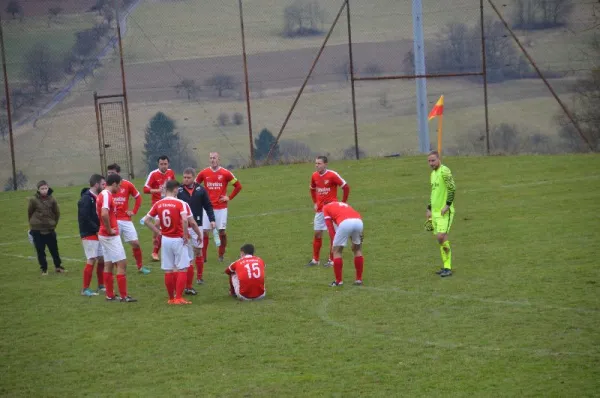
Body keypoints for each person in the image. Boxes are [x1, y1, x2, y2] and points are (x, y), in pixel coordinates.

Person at [143, 180, 202, 305]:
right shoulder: (181, 203)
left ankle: (171, 298)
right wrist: (191, 234)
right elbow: (187, 221)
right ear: (175, 189)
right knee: (183, 268)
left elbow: (147, 220)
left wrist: (158, 232)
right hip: (178, 239)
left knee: (168, 269)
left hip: (165, 239)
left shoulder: (158, 204)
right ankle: (179, 297)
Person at [195, 152, 242, 262]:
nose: (212, 160)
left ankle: (221, 254)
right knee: (205, 231)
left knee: (222, 232)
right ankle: (204, 257)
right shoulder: (203, 173)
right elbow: (194, 185)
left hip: (221, 208)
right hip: (207, 207)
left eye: (214, 158)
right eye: (211, 158)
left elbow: (238, 186)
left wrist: (229, 197)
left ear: (218, 159)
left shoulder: (226, 173)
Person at [97, 173, 137, 302]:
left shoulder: (103, 194)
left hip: (104, 234)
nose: (120, 188)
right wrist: (109, 229)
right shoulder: (107, 195)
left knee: (108, 264)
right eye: (119, 185)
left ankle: (109, 295)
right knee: (122, 263)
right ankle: (124, 296)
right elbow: (104, 214)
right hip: (109, 235)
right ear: (114, 183)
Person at [306, 156, 350, 268]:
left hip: (332, 210)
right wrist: (315, 202)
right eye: (316, 163)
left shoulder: (332, 175)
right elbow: (312, 189)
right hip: (320, 210)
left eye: (319, 163)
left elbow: (345, 187)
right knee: (317, 233)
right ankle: (315, 260)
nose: (317, 165)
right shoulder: (314, 176)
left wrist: (343, 203)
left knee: (333, 235)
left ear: (325, 164)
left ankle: (332, 260)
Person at [177, 168, 216, 289]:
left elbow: (208, 205)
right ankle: (186, 279)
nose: (186, 179)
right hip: (182, 226)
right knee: (185, 254)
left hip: (197, 224)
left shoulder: (201, 190)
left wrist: (212, 219)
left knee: (198, 251)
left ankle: (199, 277)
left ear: (194, 178)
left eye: (188, 177)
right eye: (184, 177)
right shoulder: (178, 191)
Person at [107, 163, 150, 274]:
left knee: (135, 243)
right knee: (115, 246)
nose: (110, 175)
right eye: (109, 173)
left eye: (112, 173)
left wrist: (133, 211)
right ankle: (117, 267)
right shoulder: (106, 188)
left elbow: (138, 198)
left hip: (125, 219)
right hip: (113, 220)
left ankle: (140, 267)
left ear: (118, 173)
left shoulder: (127, 184)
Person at [426, 151, 456, 278]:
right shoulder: (432, 174)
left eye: (433, 160)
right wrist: (429, 208)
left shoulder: (445, 171)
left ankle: (447, 266)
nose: (431, 163)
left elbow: (452, 188)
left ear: (439, 159)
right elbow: (433, 193)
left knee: (440, 237)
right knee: (441, 240)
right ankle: (446, 267)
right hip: (435, 212)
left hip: (445, 212)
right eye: (429, 161)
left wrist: (447, 205)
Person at [28, 180, 65, 275]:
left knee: (54, 249)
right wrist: (33, 224)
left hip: (50, 229)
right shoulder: (33, 200)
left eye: (45, 188)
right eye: (42, 189)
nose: (44, 190)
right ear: (38, 190)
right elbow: (30, 212)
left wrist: (53, 224)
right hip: (37, 230)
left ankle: (58, 266)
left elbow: (57, 213)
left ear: (48, 188)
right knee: (40, 251)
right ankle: (44, 269)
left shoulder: (52, 199)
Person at [323, 201, 364, 287]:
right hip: (359, 221)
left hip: (345, 223)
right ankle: (359, 279)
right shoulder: (342, 204)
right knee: (357, 249)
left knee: (337, 251)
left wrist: (334, 244)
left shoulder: (325, 208)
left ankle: (338, 281)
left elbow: (330, 227)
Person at [143, 155, 176, 261]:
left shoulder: (171, 173)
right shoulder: (153, 174)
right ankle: (155, 250)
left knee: (163, 226)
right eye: (161, 164)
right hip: (157, 204)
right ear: (158, 164)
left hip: (169, 203)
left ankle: (156, 250)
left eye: (165, 164)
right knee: (158, 225)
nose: (163, 166)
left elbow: (174, 186)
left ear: (168, 164)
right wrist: (158, 191)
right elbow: (145, 189)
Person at [78, 174, 106, 296]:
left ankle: (101, 285)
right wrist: (96, 228)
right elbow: (84, 217)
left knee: (102, 258)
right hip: (89, 232)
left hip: (98, 231)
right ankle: (85, 289)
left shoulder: (98, 197)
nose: (105, 186)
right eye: (103, 184)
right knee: (92, 258)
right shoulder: (86, 199)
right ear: (96, 185)